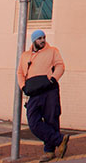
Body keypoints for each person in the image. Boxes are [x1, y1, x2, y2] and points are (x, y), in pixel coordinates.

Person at [17, 30, 69, 162]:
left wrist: (53, 79)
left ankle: (49, 151)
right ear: (33, 40)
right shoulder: (25, 56)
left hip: (49, 90)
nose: (42, 40)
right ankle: (59, 139)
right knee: (33, 122)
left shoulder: (52, 51)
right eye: (39, 38)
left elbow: (60, 66)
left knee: (51, 119)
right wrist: (23, 86)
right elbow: (20, 72)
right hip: (33, 92)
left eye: (44, 38)